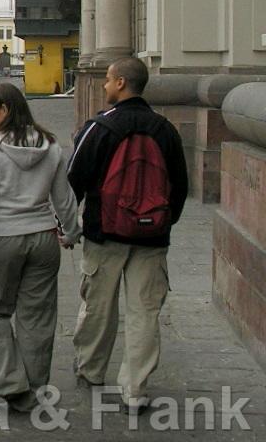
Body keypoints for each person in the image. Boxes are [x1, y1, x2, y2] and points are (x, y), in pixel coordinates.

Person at [67, 57, 188, 413]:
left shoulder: (100, 128)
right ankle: (135, 391)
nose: (104, 86)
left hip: (105, 235)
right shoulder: (165, 130)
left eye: (106, 80)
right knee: (144, 313)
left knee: (98, 307)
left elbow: (73, 180)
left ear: (121, 82)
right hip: (152, 239)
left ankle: (91, 370)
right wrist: (161, 222)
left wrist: (69, 226)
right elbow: (179, 187)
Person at [0, 84, 81, 411]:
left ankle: (4, 385)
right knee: (38, 316)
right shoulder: (51, 146)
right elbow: (65, 200)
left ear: (4, 110)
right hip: (44, 239)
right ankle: (33, 388)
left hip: (2, 239)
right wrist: (71, 233)